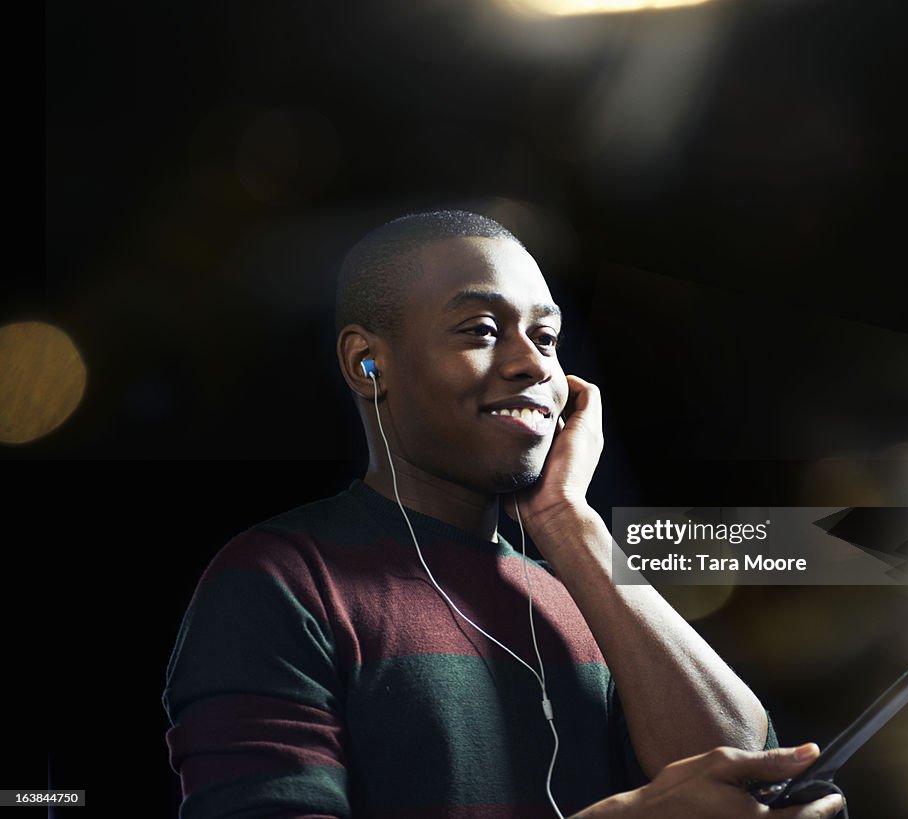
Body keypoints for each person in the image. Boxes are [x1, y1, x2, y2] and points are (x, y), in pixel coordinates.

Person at [163, 210, 845, 818]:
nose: (532, 363)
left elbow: (744, 782)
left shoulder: (578, 594)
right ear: (368, 362)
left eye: (547, 338)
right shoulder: (280, 580)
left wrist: (569, 522)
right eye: (483, 329)